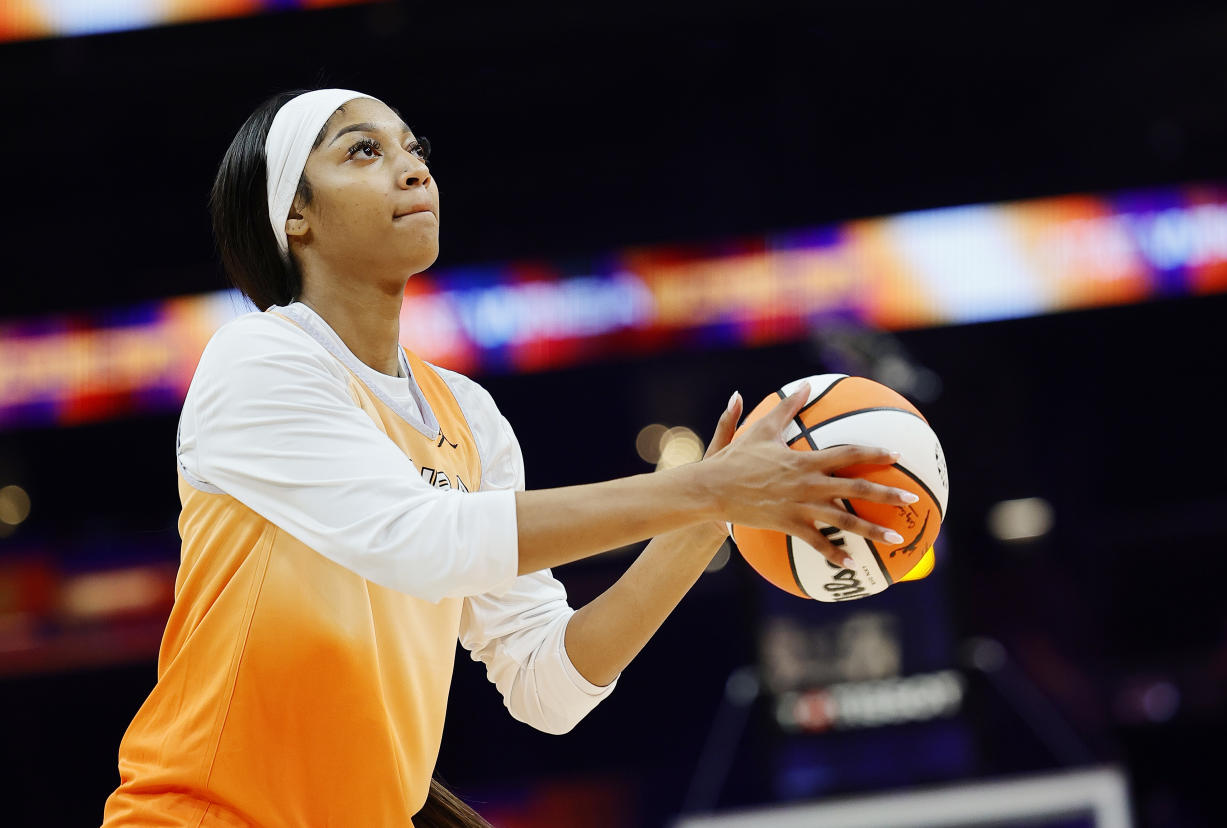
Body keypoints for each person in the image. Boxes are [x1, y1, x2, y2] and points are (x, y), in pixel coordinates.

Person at [100, 88, 915, 827]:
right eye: (363, 151)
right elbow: (422, 541)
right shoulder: (258, 360)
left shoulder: (470, 416)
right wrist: (702, 486)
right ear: (294, 218)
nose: (412, 168)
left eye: (414, 148)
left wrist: (708, 521)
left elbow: (545, 685)